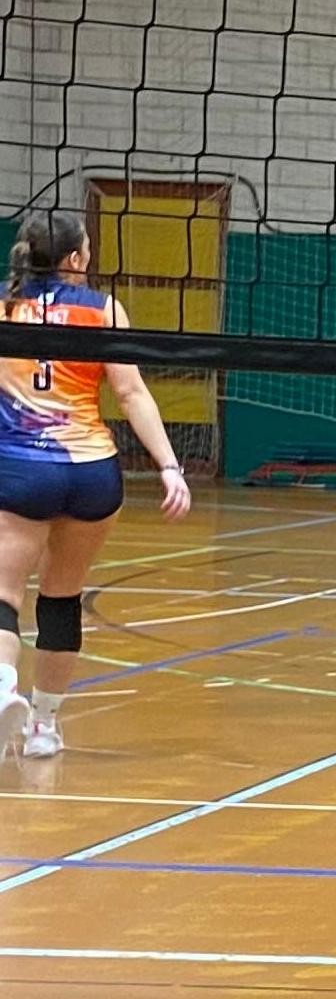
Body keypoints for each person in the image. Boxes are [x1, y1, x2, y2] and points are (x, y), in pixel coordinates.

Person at [0, 208, 193, 761]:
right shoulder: (103, 309)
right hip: (91, 473)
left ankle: (3, 689)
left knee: (4, 597)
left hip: (21, 470)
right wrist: (169, 466)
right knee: (61, 598)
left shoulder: (5, 305)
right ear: (74, 258)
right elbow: (131, 393)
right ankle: (44, 726)